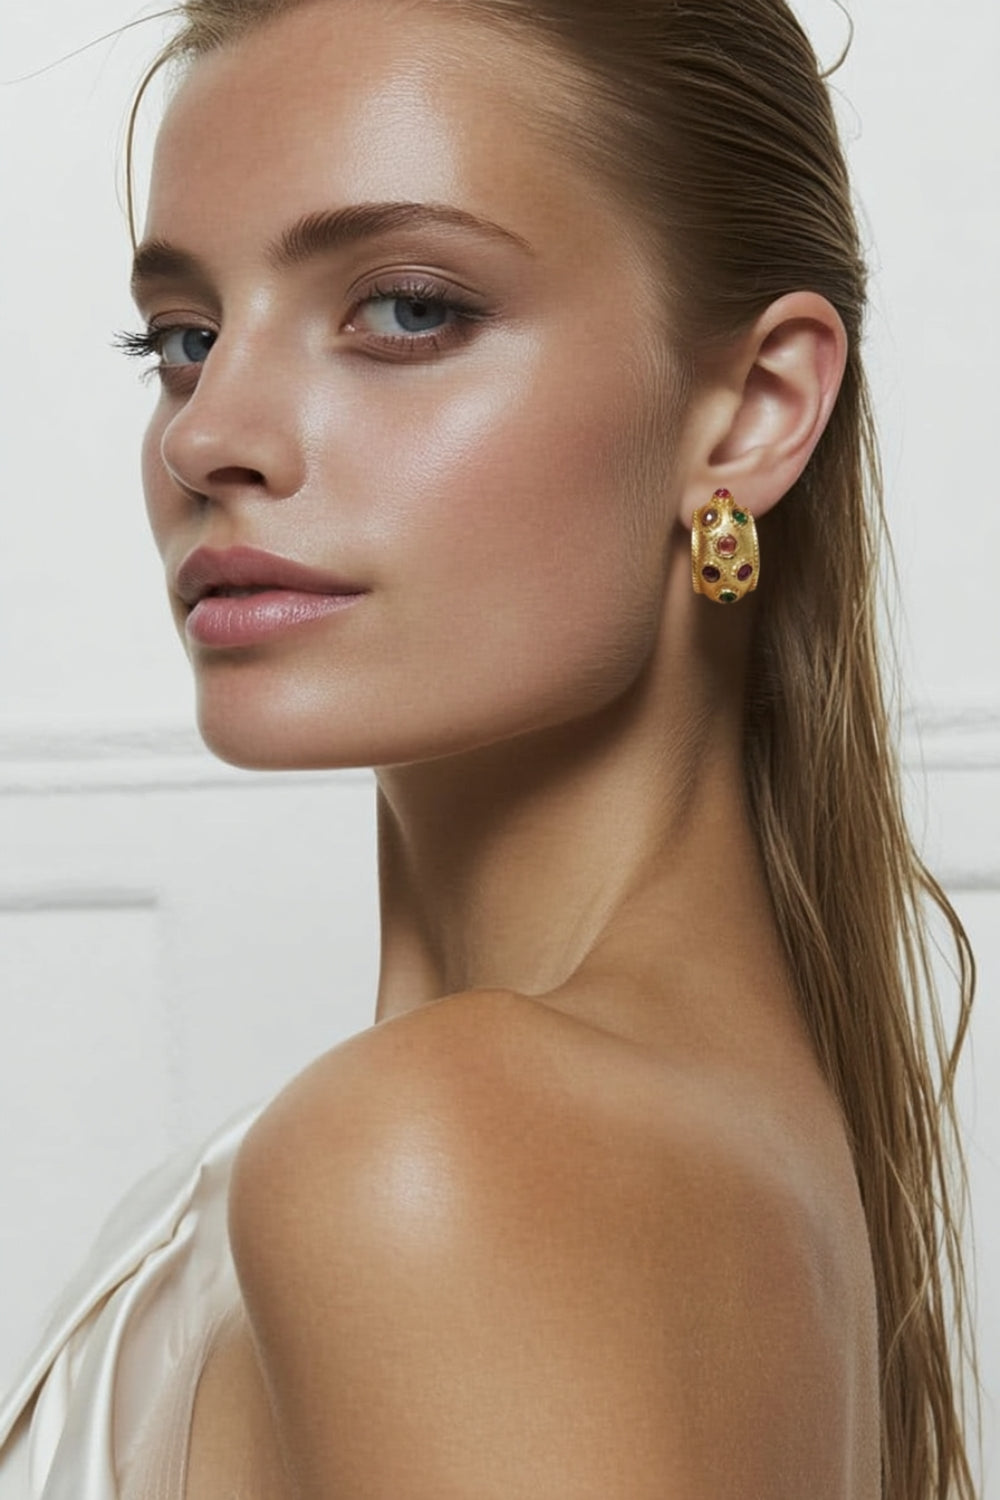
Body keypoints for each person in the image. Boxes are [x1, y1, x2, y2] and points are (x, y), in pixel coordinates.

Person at [0, 0, 978, 1496]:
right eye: (183, 338)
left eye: (406, 308)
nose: (209, 438)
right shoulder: (747, 1144)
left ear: (754, 411)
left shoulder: (444, 1163)